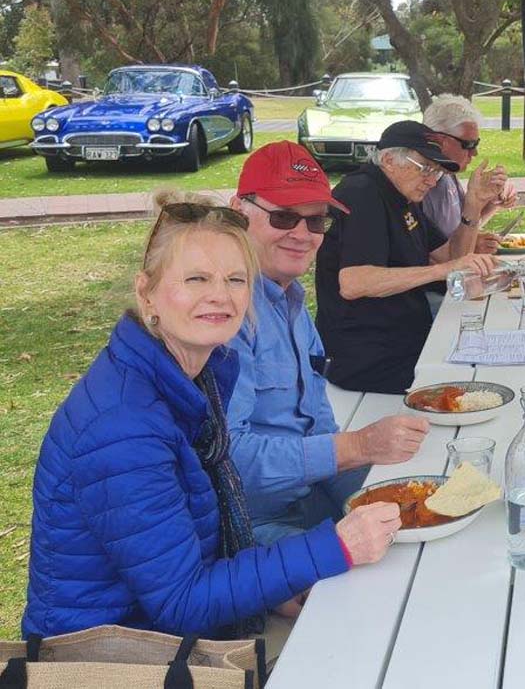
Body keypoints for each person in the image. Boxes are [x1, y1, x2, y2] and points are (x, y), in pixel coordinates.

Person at [24, 193, 401, 641]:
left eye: (236, 280)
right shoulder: (123, 429)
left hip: (175, 624)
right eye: (197, 278)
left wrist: (274, 586)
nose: (220, 296)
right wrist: (336, 546)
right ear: (147, 293)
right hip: (119, 655)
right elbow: (182, 604)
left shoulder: (191, 375)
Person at [227, 142, 432, 544]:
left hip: (310, 498)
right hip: (252, 526)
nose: (302, 235)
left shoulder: (290, 302)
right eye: (284, 217)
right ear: (239, 211)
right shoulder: (223, 312)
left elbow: (319, 425)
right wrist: (358, 446)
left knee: (432, 505)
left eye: (316, 221)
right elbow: (230, 463)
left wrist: (380, 497)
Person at [315, 120, 497, 394]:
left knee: (489, 362)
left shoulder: (403, 196)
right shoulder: (362, 193)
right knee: (481, 385)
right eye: (425, 168)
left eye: (436, 172)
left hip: (407, 340)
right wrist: (443, 270)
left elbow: (452, 255)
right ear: (389, 160)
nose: (432, 180)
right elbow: (354, 282)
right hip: (369, 358)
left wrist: (473, 203)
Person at [421, 93, 517, 252]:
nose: (475, 153)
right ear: (440, 141)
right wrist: (471, 246)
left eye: (476, 144)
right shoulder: (418, 187)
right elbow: (426, 255)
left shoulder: (447, 174)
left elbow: (467, 223)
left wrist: (491, 203)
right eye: (468, 145)